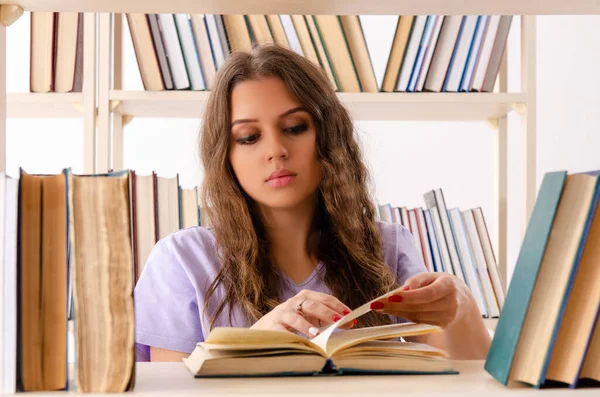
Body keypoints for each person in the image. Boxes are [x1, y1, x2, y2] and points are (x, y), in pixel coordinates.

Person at [134, 45, 491, 363]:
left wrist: (461, 304)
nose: (276, 150)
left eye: (295, 127)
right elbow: (169, 389)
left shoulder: (389, 247)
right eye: (249, 137)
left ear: (327, 136)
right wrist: (250, 347)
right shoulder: (180, 261)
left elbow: (470, 378)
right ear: (224, 155)